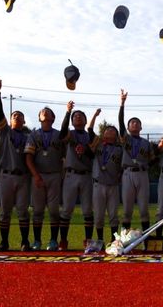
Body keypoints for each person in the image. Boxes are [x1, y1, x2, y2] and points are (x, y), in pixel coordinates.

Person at [0, 77, 31, 251]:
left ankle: (25, 242)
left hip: (23, 176)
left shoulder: (28, 137)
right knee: (5, 211)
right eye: (14, 115)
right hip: (6, 175)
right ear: (10, 120)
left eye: (20, 116)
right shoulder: (4, 131)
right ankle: (4, 241)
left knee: (23, 210)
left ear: (24, 122)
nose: (16, 117)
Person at [58, 101, 99, 250]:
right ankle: (63, 241)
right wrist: (68, 112)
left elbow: (93, 154)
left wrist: (85, 150)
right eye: (75, 117)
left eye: (80, 116)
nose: (77, 118)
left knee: (88, 210)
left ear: (85, 120)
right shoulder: (71, 133)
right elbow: (62, 132)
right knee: (67, 209)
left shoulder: (91, 135)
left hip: (86, 175)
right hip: (71, 174)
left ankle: (88, 241)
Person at [24, 106, 64, 251]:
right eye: (42, 112)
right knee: (38, 210)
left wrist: (62, 176)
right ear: (39, 118)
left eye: (48, 112)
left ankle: (53, 240)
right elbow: (28, 158)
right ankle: (37, 241)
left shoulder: (59, 135)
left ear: (53, 118)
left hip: (54, 174)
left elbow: (65, 158)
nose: (45, 112)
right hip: (38, 175)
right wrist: (36, 176)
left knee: (54, 210)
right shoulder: (33, 135)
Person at [119, 89, 154, 232]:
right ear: (128, 127)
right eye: (131, 123)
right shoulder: (125, 138)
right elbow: (120, 122)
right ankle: (123, 241)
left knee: (144, 209)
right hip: (128, 173)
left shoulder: (146, 143)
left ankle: (146, 241)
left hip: (142, 174)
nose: (134, 124)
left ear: (141, 127)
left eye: (136, 123)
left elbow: (153, 158)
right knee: (127, 210)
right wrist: (122, 103)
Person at [86, 120, 123, 253]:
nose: (109, 131)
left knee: (113, 214)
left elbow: (123, 166)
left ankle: (114, 241)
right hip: (98, 183)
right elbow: (89, 130)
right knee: (99, 215)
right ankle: (100, 240)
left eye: (113, 130)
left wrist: (121, 175)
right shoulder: (99, 145)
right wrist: (95, 116)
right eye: (107, 129)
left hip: (113, 185)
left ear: (116, 135)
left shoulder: (119, 149)